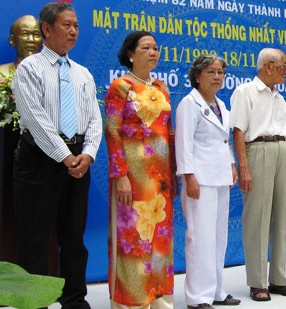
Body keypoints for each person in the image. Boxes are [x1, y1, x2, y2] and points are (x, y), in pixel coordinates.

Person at [12, 2, 102, 308]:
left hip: (79, 159)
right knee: (35, 237)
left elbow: (94, 119)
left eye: (76, 25)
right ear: (46, 29)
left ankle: (75, 300)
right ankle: (33, 302)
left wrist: (87, 154)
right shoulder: (29, 68)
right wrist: (65, 157)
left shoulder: (83, 74)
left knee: (74, 236)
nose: (74, 31)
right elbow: (35, 118)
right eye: (67, 25)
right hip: (41, 158)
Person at [105, 31, 175, 307]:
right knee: (133, 239)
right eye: (146, 47)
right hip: (133, 176)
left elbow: (169, 132)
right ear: (131, 54)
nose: (153, 52)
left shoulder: (161, 87)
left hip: (160, 178)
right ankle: (131, 301)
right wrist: (120, 174)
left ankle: (158, 298)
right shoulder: (120, 87)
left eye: (156, 48)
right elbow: (112, 131)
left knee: (159, 239)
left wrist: (175, 173)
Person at [229, 48, 286, 301]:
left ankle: (279, 279)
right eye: (283, 66)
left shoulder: (279, 97)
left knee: (282, 217)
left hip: (282, 150)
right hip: (257, 148)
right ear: (268, 66)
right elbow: (238, 131)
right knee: (257, 218)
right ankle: (257, 281)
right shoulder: (245, 91)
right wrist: (244, 166)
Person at [175, 54, 240, 309]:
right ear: (197, 76)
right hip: (199, 180)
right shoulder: (189, 104)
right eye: (211, 72)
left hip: (221, 177)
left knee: (218, 237)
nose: (217, 77)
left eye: (220, 72)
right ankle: (198, 297)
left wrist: (232, 165)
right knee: (199, 238)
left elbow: (225, 140)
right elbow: (184, 143)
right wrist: (189, 177)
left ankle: (216, 291)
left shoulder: (221, 106)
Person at [0, 15, 42, 81]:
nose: (31, 40)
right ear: (12, 40)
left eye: (36, 35)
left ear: (43, 42)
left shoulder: (53, 76)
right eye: (25, 34)